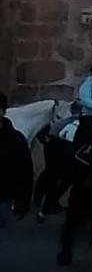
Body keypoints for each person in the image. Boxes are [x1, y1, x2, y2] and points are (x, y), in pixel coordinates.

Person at [0, 96, 34, 232]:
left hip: (3, 197)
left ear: (3, 111)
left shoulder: (16, 139)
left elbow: (25, 172)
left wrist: (23, 202)